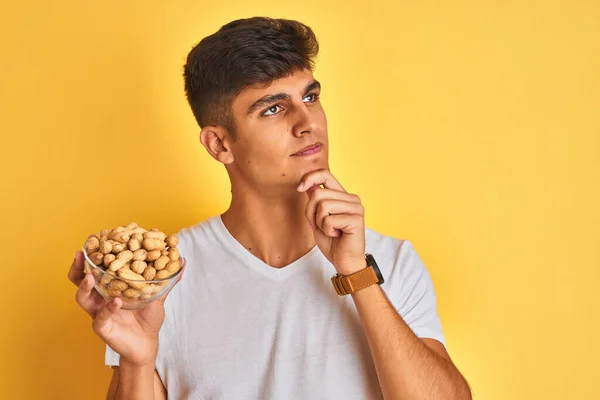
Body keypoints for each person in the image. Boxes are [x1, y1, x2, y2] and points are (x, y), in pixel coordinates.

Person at [68, 17, 472, 400]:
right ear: (220, 145)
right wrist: (137, 361)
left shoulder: (389, 262)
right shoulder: (165, 279)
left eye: (310, 97)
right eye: (274, 109)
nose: (307, 122)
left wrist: (357, 274)